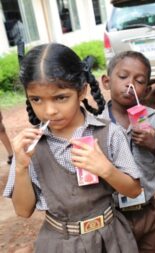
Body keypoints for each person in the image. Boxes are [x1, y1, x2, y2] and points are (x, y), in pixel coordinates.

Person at [3, 43, 142, 253]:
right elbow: (23, 211)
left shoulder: (109, 133)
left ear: (82, 91)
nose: (49, 110)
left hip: (111, 240)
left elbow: (134, 190)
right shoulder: (30, 147)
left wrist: (106, 170)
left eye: (60, 98)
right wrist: (21, 167)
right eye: (36, 99)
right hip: (59, 244)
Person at [101, 51, 155, 253]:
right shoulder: (97, 124)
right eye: (123, 77)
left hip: (147, 210)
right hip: (113, 214)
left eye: (138, 81)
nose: (130, 84)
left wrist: (153, 146)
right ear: (106, 81)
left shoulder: (153, 120)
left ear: (147, 90)